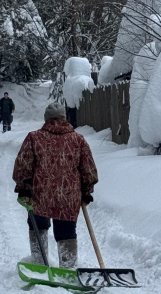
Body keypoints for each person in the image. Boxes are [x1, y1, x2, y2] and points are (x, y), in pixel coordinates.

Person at [13, 102, 98, 269]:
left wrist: (23, 188)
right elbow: (88, 168)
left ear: (46, 119)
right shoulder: (78, 139)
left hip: (40, 194)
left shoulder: (34, 137)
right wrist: (87, 190)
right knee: (66, 232)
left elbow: (23, 165)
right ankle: (68, 268)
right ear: (64, 118)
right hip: (68, 195)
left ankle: (39, 263)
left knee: (38, 225)